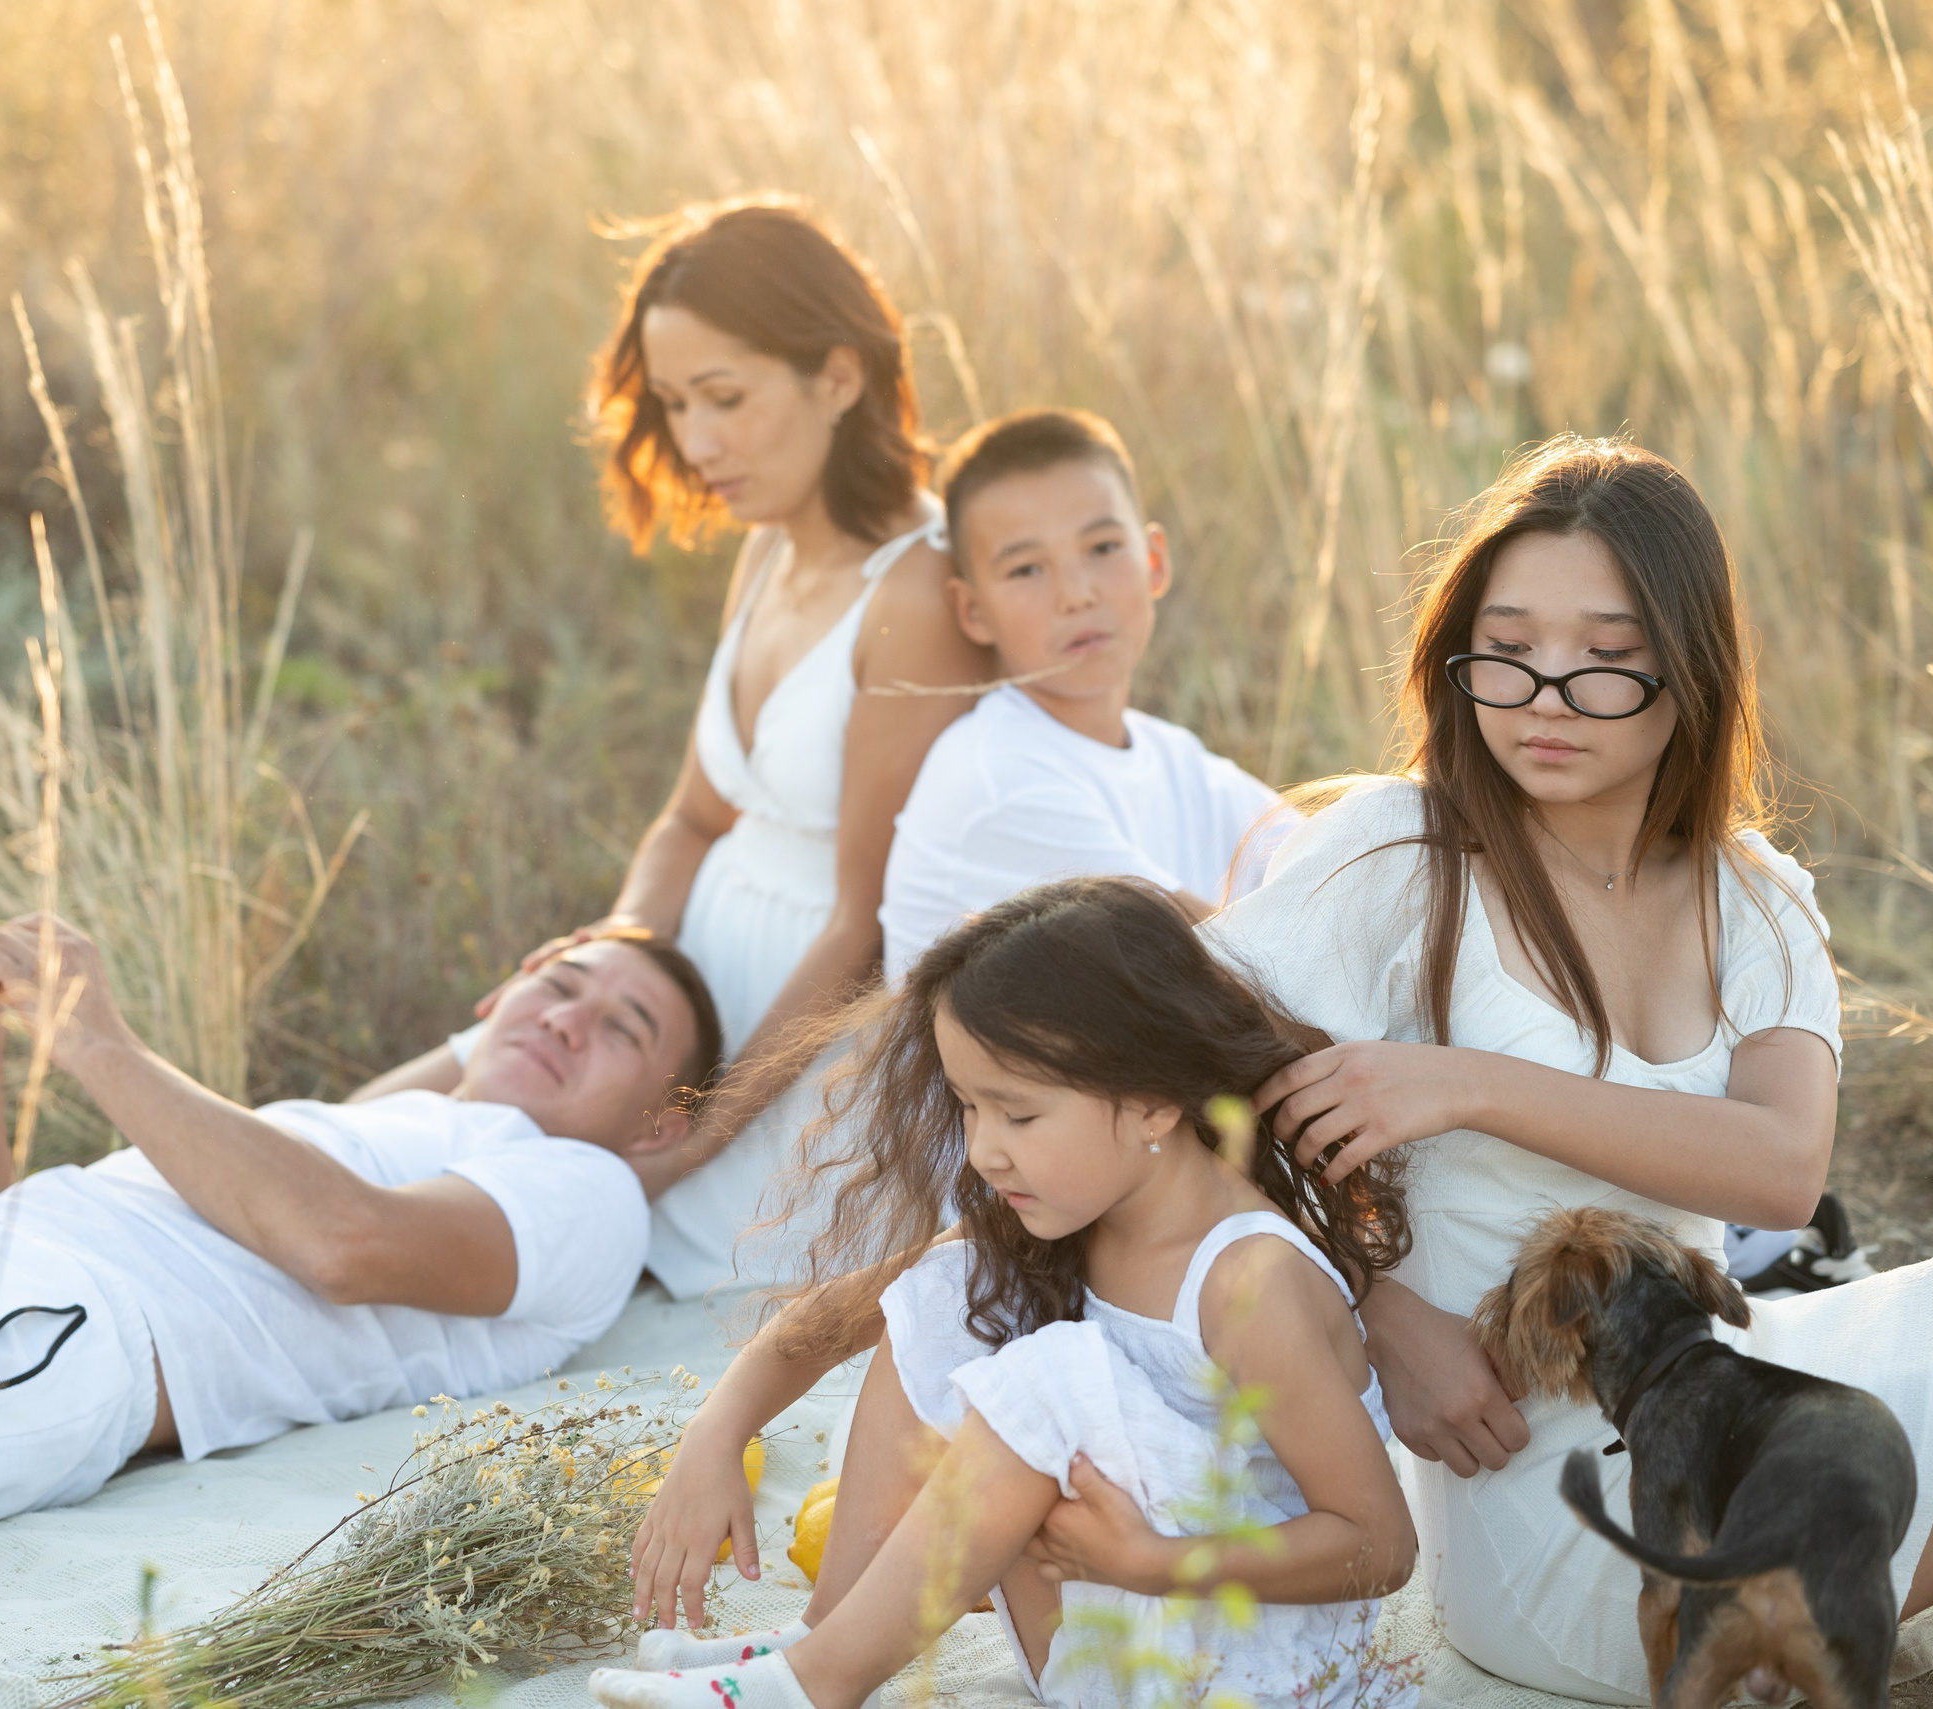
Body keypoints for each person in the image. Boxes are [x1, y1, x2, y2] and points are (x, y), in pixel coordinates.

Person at [1154, 435, 1933, 1698]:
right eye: (1511, 645)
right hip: (1587, 1511)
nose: (1544, 692)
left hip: (1716, 1390)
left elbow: (1776, 1171)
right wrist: (1373, 1315)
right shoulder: (1399, 853)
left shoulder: (1754, 897)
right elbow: (1161, 1117)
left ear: (1686, 669)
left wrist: (1468, 1082)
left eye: (1603, 656)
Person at [0, 896, 720, 1556]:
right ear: (496, 992)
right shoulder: (371, 1121)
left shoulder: (586, 1190)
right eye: (562, 980)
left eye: (623, 1029)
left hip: (58, 1339)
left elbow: (341, 1247)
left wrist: (98, 1038)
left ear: (661, 1123)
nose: (572, 1018)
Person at [369, 198, 990, 1299]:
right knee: (418, 1119)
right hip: (679, 1004)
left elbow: (865, 921)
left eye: (726, 398)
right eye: (673, 403)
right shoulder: (766, 553)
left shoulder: (913, 590)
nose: (696, 443)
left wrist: (706, 1129)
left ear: (838, 377)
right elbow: (693, 815)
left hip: (799, 1054)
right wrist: (616, 958)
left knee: (524, 1237)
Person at [592, 880, 1417, 1709]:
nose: (984, 1150)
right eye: (968, 1106)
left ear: (1154, 1101)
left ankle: (815, 1686)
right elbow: (841, 1314)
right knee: (946, 1289)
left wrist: (1149, 1563)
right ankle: (828, 1638)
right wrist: (716, 1434)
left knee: (1052, 1372)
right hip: (1103, 1637)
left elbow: (1380, 1543)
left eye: (1018, 1115)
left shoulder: (1248, 1279)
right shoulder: (1078, 1217)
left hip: (1246, 1672)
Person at [878, 408, 1286, 983]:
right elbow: (1246, 980)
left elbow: (1335, 871)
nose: (1076, 594)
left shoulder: (1172, 756)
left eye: (1101, 549)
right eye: (1026, 570)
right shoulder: (998, 779)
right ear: (972, 610)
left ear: (1153, 562)